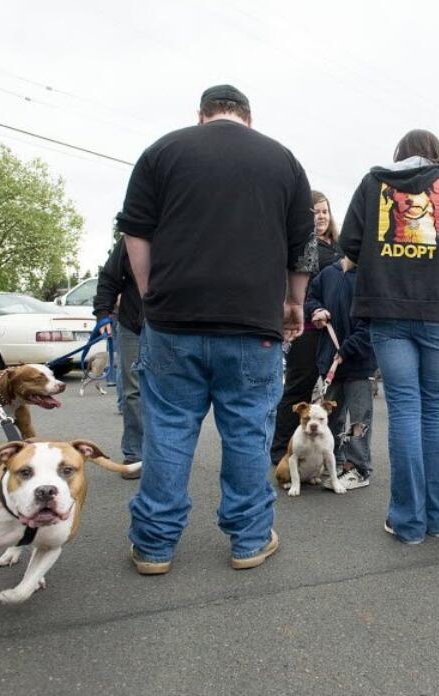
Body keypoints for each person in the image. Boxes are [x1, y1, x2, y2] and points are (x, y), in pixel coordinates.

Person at [118, 84, 315, 575]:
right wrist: (295, 302)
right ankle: (248, 541)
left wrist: (148, 296)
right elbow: (304, 246)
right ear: (248, 117)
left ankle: (154, 547)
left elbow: (134, 231)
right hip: (252, 324)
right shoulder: (282, 160)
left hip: (173, 321)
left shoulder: (162, 151)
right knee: (248, 431)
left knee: (167, 430)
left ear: (201, 115)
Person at [339, 129, 439, 543]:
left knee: (404, 411)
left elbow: (350, 241)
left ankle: (407, 522)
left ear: (399, 155)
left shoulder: (372, 184)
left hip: (387, 312)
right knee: (436, 410)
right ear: (436, 154)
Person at [270, 190, 345, 464]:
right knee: (297, 390)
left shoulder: (341, 247)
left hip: (336, 332)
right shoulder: (299, 245)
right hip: (308, 331)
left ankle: (329, 452)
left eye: (324, 210)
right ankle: (280, 449)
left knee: (334, 395)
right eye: (315, 212)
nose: (321, 216)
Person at [305, 256, 375, 490]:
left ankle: (359, 468)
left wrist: (346, 349)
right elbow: (310, 297)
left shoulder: (370, 275)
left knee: (359, 419)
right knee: (330, 418)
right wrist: (317, 310)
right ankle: (333, 462)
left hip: (358, 362)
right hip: (329, 359)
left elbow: (371, 323)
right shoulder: (327, 274)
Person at [93, 236, 144, 479]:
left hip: (173, 326)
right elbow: (110, 277)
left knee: (170, 393)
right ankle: (135, 454)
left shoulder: (184, 228)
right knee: (133, 391)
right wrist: (103, 312)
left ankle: (168, 455)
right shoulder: (130, 239)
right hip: (133, 324)